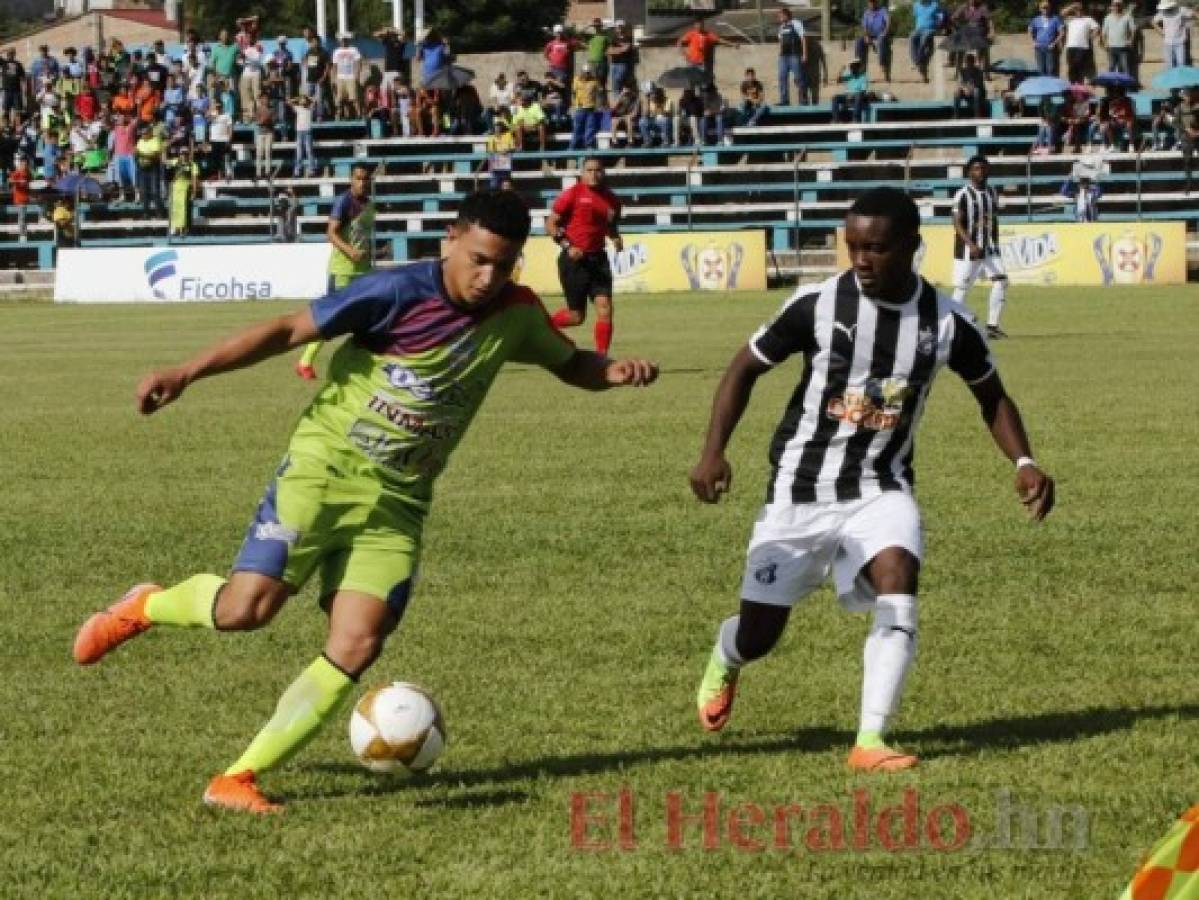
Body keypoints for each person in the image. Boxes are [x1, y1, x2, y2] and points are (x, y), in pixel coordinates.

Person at [72, 192, 657, 815]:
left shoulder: (515, 313)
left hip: (400, 502)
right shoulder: (396, 293)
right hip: (324, 472)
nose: (489, 278)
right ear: (451, 239)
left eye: (505, 265)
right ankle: (149, 604)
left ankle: (238, 778)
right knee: (247, 610)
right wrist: (186, 371)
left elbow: (570, 365)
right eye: (480, 259)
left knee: (358, 642)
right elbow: (288, 330)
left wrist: (611, 372)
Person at [689, 185, 1055, 774]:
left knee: (898, 574)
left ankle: (870, 740)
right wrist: (713, 452)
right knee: (759, 636)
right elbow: (743, 369)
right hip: (799, 492)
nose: (861, 259)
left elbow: (992, 396)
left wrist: (1023, 462)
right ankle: (727, 655)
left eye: (876, 248)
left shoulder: (948, 322)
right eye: (852, 246)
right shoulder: (815, 305)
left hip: (881, 487)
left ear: (911, 246)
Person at [296, 163, 377, 381]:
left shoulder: (370, 204)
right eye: (358, 178)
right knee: (333, 318)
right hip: (342, 270)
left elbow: (362, 235)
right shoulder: (344, 201)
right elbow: (331, 233)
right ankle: (305, 361)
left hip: (364, 270)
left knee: (371, 316)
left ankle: (366, 364)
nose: (362, 182)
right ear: (351, 179)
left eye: (365, 178)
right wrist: (350, 251)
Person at [546, 157, 623, 355]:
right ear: (582, 173)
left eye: (598, 170)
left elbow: (610, 226)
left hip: (598, 259)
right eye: (589, 170)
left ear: (603, 173)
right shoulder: (572, 194)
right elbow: (551, 224)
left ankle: (601, 357)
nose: (594, 174)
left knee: (605, 307)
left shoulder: (612, 200)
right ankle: (541, 329)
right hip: (574, 261)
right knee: (576, 317)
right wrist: (567, 246)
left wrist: (615, 238)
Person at [951, 155, 1009, 339]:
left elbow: (993, 219)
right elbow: (957, 222)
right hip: (969, 250)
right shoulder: (962, 195)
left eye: (983, 168)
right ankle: (952, 324)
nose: (980, 172)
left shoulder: (992, 192)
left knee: (1001, 281)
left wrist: (995, 243)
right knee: (962, 288)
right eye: (976, 169)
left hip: (989, 248)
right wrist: (971, 244)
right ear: (969, 173)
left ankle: (992, 326)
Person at [777, 7, 808, 106]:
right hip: (784, 57)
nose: (779, 18)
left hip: (794, 55)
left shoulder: (796, 23)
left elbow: (803, 38)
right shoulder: (781, 27)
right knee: (782, 77)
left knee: (799, 78)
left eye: (781, 16)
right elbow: (781, 41)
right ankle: (784, 100)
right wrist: (780, 53)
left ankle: (803, 100)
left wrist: (804, 54)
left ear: (786, 15)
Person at [856, 0, 893, 83]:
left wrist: (885, 32)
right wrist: (866, 36)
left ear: (877, 2)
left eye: (873, 2)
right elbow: (864, 27)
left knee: (881, 40)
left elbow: (888, 22)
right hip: (870, 35)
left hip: (882, 34)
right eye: (870, 2)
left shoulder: (882, 10)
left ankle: (882, 64)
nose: (872, 4)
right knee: (859, 42)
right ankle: (861, 71)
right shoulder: (866, 13)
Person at [1063, 3, 1101, 83]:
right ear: (1074, 11)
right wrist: (1072, 6)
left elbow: (1097, 28)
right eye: (1076, 10)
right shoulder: (1070, 19)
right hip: (1070, 47)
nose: (1078, 12)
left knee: (1079, 67)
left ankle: (1080, 86)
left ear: (1083, 11)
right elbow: (1062, 13)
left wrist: (1090, 37)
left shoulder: (1088, 19)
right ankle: (1072, 86)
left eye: (1080, 10)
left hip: (1082, 47)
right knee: (1071, 67)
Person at [168, 147, 199, 236]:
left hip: (186, 188)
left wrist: (194, 191)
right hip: (175, 189)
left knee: (185, 210)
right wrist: (165, 146)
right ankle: (176, 228)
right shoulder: (175, 162)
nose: (184, 155)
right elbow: (164, 161)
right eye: (182, 153)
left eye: (186, 153)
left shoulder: (192, 165)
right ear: (180, 154)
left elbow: (194, 178)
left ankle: (185, 229)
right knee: (175, 209)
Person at [1153, 0, 1194, 69]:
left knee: (1181, 65)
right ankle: (1170, 79)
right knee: (1168, 65)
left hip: (1179, 42)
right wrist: (1161, 31)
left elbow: (1194, 14)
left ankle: (1180, 79)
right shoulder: (1162, 12)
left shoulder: (1181, 10)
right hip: (1167, 42)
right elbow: (1153, 22)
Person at [910, 0, 943, 83]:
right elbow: (916, 16)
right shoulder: (916, 5)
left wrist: (938, 24)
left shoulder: (934, 5)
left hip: (930, 29)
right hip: (919, 29)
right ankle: (917, 61)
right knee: (912, 37)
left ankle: (919, 60)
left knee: (925, 39)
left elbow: (940, 16)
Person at [331, 32, 362, 121]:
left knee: (353, 97)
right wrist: (333, 78)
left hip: (351, 76)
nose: (344, 42)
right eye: (342, 40)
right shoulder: (336, 51)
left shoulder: (353, 50)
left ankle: (358, 114)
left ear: (348, 40)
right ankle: (343, 115)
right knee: (340, 98)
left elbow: (359, 62)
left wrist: (357, 74)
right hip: (340, 77)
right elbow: (334, 65)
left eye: (345, 40)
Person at [1029, 1, 1065, 76]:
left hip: (1050, 48)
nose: (1045, 9)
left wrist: (1054, 43)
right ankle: (1043, 86)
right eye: (1043, 8)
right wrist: (1033, 42)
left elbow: (1062, 33)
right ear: (1040, 9)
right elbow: (1030, 31)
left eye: (1047, 8)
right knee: (1040, 69)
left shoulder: (1055, 19)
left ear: (1049, 8)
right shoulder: (1035, 19)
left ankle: (1051, 86)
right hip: (1039, 48)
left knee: (1051, 69)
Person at [1101, 0, 1136, 74]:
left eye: (1118, 5)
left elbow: (1133, 30)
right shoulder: (1107, 18)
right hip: (1111, 47)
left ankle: (1124, 85)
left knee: (1124, 68)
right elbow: (1103, 32)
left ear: (1122, 6)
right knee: (1111, 67)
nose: (1116, 7)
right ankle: (1111, 85)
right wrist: (1105, 43)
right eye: (1114, 5)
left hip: (1124, 47)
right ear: (1112, 6)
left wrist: (1131, 40)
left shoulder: (1128, 17)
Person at [831, 59, 870, 124]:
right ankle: (836, 119)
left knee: (859, 95)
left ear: (858, 67)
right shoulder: (849, 76)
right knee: (835, 98)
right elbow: (838, 80)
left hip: (857, 96)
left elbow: (863, 91)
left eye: (854, 67)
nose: (852, 69)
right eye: (851, 67)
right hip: (848, 96)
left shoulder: (863, 77)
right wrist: (841, 69)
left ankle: (856, 118)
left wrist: (853, 95)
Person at [953, 52, 988, 118]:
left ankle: (977, 115)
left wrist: (971, 89)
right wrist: (964, 88)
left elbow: (979, 84)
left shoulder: (978, 71)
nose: (969, 63)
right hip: (966, 91)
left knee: (976, 92)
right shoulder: (963, 71)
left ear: (973, 62)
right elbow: (960, 83)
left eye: (971, 61)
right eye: (968, 61)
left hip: (978, 91)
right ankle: (956, 114)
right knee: (956, 93)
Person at [290, 94, 315, 177]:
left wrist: (307, 97)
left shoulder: (310, 108)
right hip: (299, 132)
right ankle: (297, 171)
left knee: (309, 151)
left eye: (304, 100)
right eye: (301, 100)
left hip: (307, 132)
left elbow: (314, 100)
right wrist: (297, 98)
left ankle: (311, 170)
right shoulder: (298, 108)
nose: (302, 101)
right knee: (299, 152)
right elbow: (289, 102)